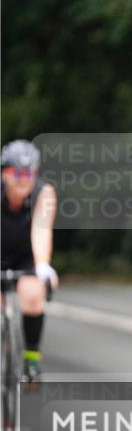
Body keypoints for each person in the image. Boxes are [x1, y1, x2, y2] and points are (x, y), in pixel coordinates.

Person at [1, 140, 58, 387]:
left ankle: (31, 360)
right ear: (4, 172)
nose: (24, 179)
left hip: (27, 255)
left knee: (33, 296)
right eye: (17, 173)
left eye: (30, 173)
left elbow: (41, 230)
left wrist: (43, 265)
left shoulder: (43, 193)